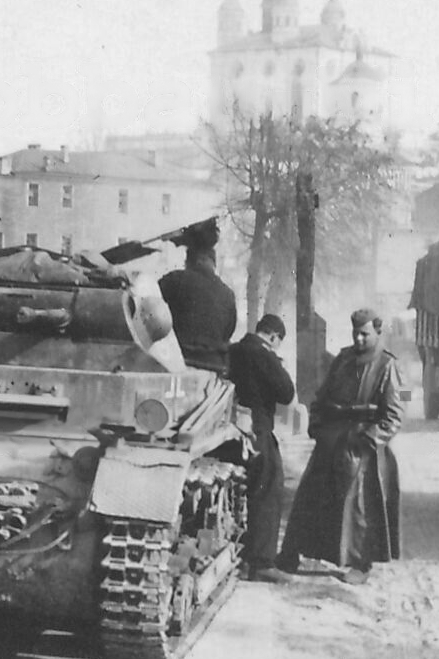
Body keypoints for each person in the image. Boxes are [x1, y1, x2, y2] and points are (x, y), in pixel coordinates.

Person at [277, 308, 403, 585]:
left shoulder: (388, 366)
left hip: (362, 447)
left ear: (377, 333)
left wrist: (368, 440)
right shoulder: (343, 359)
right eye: (355, 333)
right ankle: (292, 553)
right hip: (331, 439)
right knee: (309, 498)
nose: (359, 339)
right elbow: (321, 397)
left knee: (357, 508)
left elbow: (394, 415)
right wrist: (317, 425)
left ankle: (360, 563)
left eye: (365, 334)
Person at [227, 314, 296, 584]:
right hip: (256, 429)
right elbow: (286, 393)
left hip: (227, 428)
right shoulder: (263, 354)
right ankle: (260, 563)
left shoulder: (233, 350)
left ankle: (242, 553)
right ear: (274, 337)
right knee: (269, 486)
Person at [158, 220, 237, 373]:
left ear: (191, 261)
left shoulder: (175, 280)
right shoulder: (228, 294)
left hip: (179, 362)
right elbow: (228, 331)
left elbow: (150, 305)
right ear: (213, 263)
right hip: (214, 367)